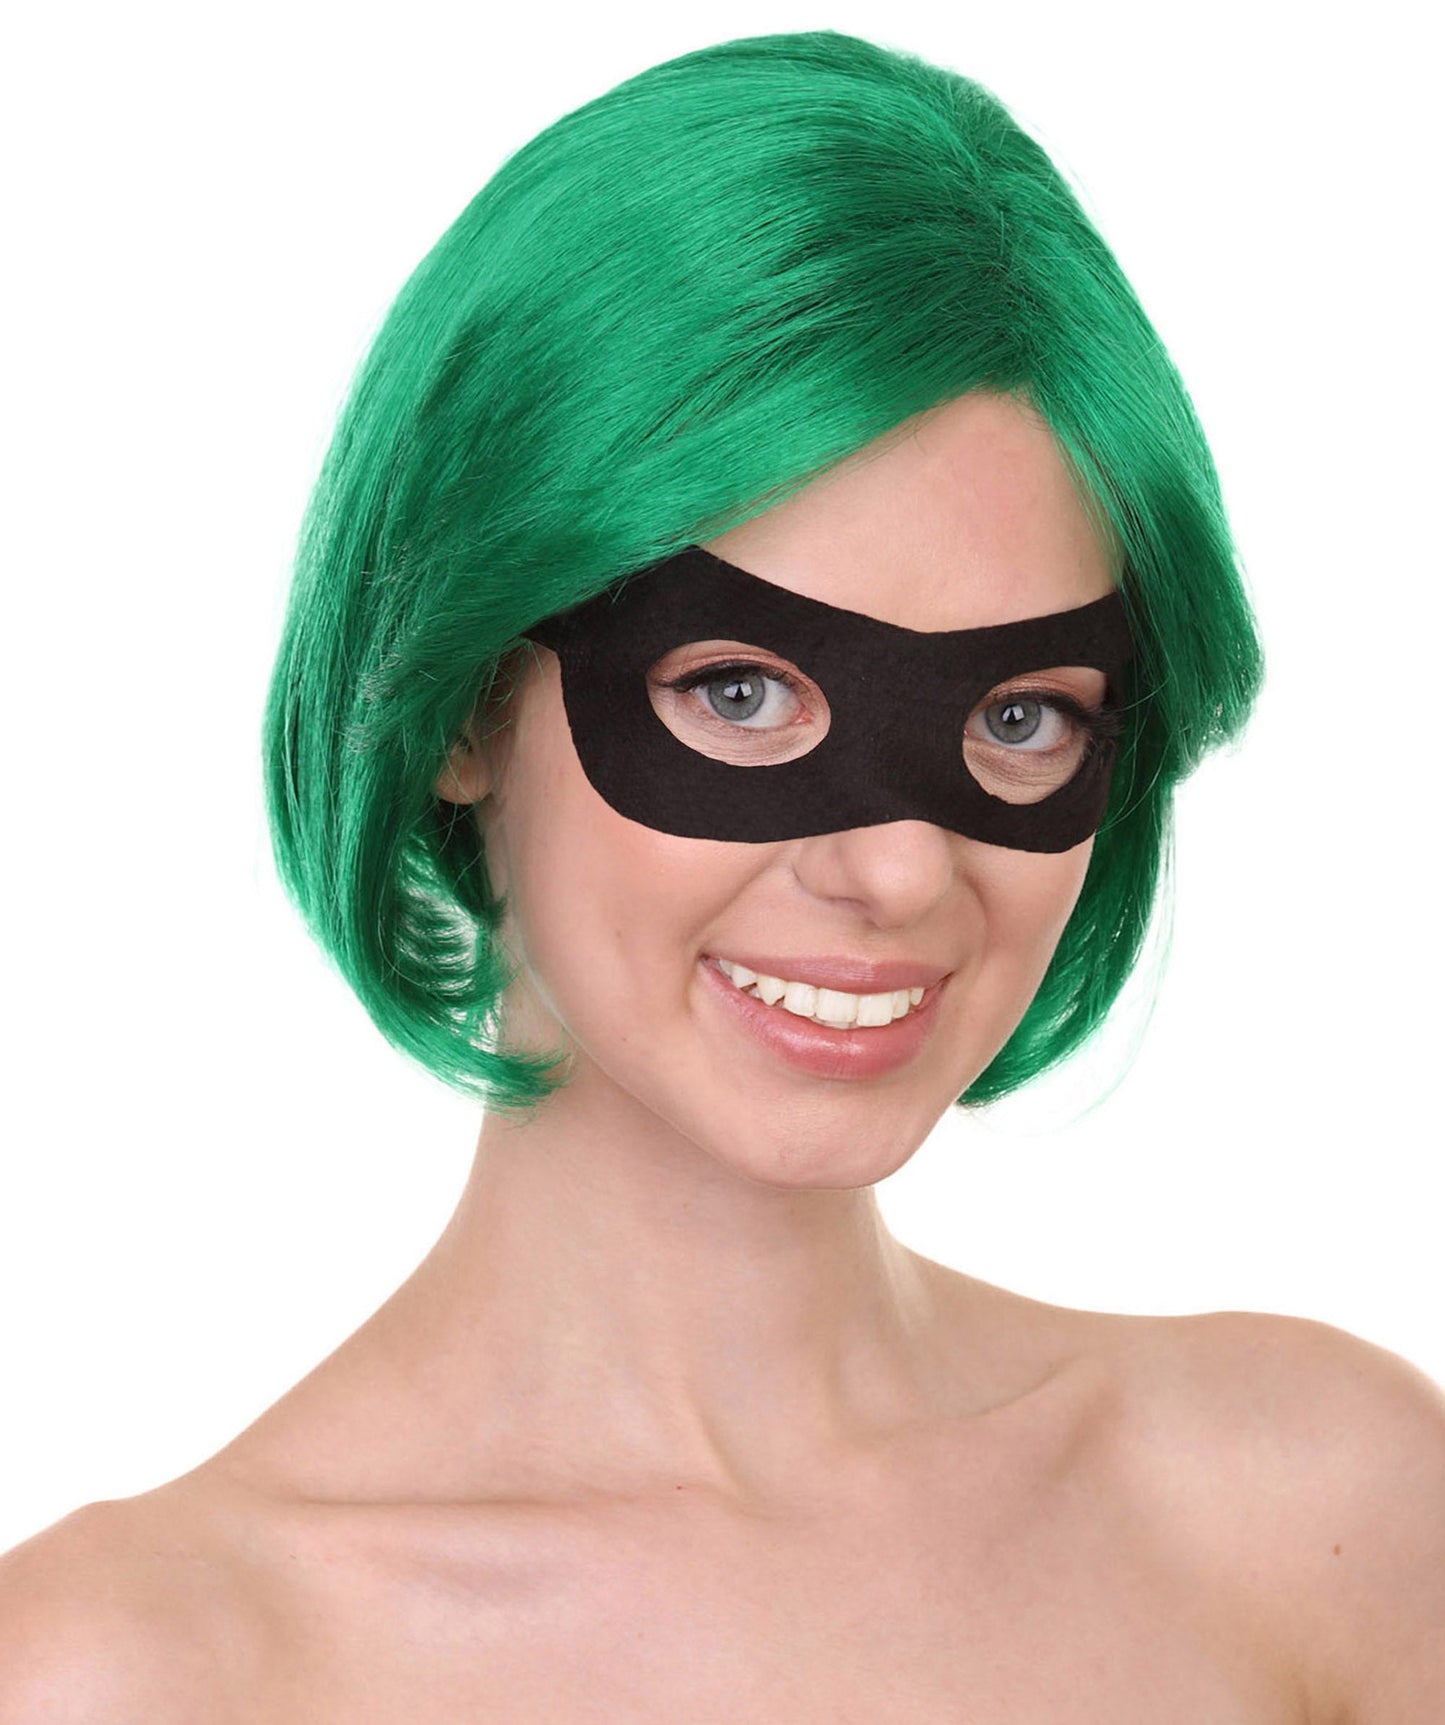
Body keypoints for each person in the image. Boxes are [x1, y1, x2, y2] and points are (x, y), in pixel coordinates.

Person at [2, 28, 1441, 1721]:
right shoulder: (139, 1673)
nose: (899, 867)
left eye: (1018, 715)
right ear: (461, 701)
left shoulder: (1321, 1516)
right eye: (738, 692)